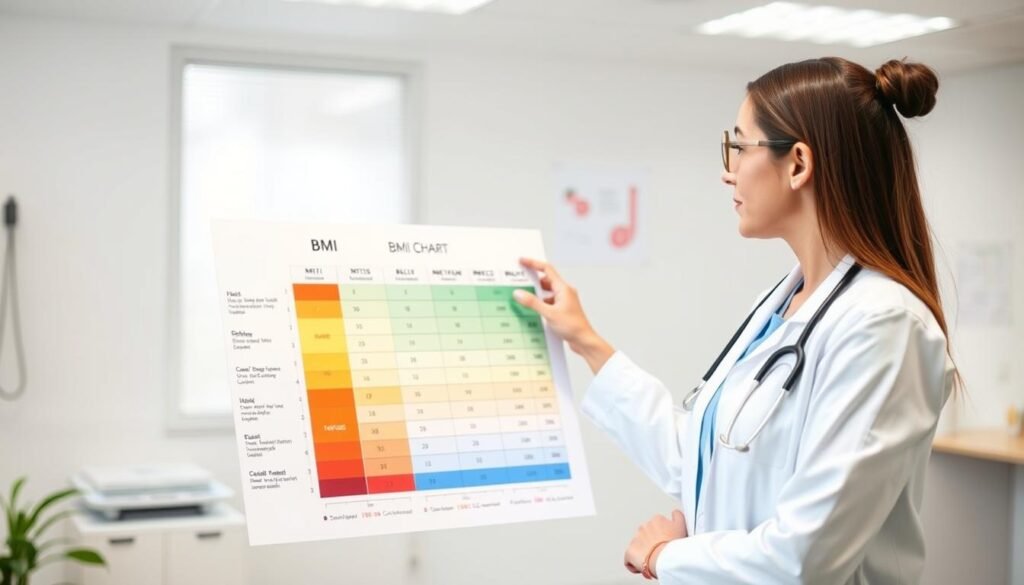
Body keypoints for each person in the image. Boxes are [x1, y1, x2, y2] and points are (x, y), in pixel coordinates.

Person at [513, 57, 958, 584]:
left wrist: (665, 557)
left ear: (797, 164)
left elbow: (804, 558)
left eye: (739, 146)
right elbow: (704, 461)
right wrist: (585, 340)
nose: (728, 170)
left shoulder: (884, 326)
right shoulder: (785, 300)